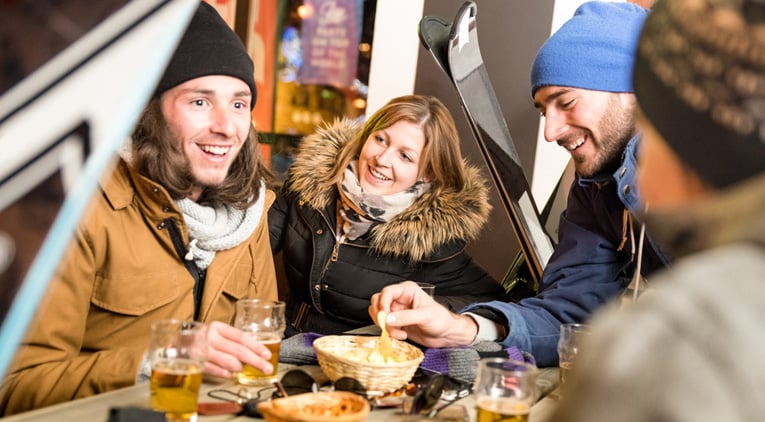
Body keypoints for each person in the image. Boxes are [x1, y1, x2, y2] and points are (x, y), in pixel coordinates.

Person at [0, 3, 278, 415]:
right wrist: (159, 357)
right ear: (149, 112)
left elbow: (255, 355)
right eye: (199, 102)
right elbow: (16, 384)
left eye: (239, 104)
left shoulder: (249, 211)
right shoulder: (79, 204)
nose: (227, 125)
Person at [369, 1, 672, 366]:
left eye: (567, 102)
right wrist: (461, 328)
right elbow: (567, 316)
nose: (550, 131)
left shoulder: (710, 161)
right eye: (545, 110)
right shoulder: (593, 193)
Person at [551, 0, 765, 419]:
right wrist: (478, 327)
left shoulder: (673, 342)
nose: (550, 131)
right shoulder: (590, 188)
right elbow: (573, 304)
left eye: (650, 133)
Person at [268, 94, 507, 334]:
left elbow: (495, 305)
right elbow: (256, 240)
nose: (382, 159)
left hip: (363, 362)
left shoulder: (429, 238)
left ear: (428, 174)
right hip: (285, 345)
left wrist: (429, 310)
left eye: (405, 156)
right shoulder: (308, 188)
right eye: (381, 139)